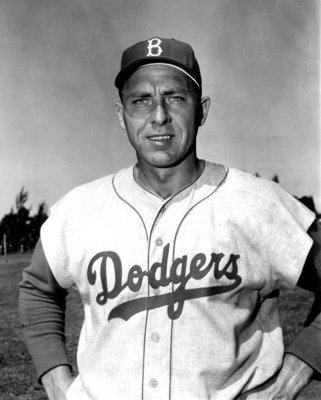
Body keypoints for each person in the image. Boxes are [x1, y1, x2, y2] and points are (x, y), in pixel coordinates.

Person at [19, 37, 321, 400]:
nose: (158, 115)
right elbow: (38, 289)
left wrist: (294, 373)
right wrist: (55, 378)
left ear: (202, 110)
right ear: (121, 116)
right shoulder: (81, 208)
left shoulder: (257, 203)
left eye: (175, 98)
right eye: (141, 101)